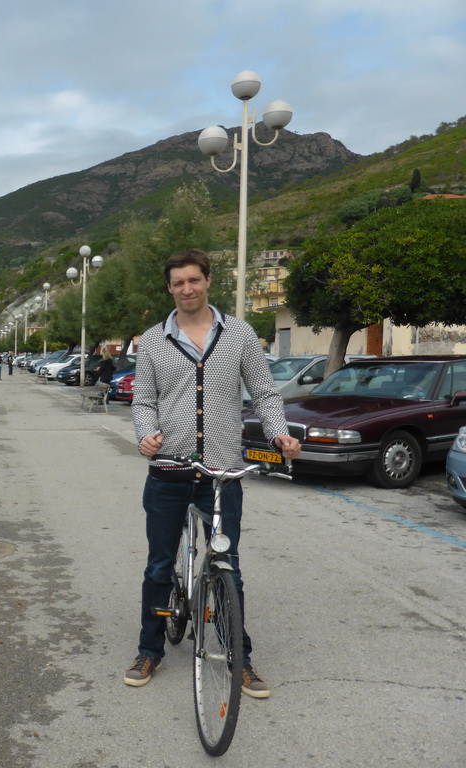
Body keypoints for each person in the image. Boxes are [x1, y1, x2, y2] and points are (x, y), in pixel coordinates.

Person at [126, 248, 301, 697]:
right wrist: (145, 434)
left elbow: (264, 393)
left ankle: (238, 656)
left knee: (228, 567)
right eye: (178, 282)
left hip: (223, 474)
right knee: (159, 566)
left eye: (194, 280)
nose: (187, 288)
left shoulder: (240, 335)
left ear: (207, 282)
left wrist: (279, 435)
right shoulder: (152, 341)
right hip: (168, 470)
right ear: (169, 288)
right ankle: (151, 648)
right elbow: (143, 401)